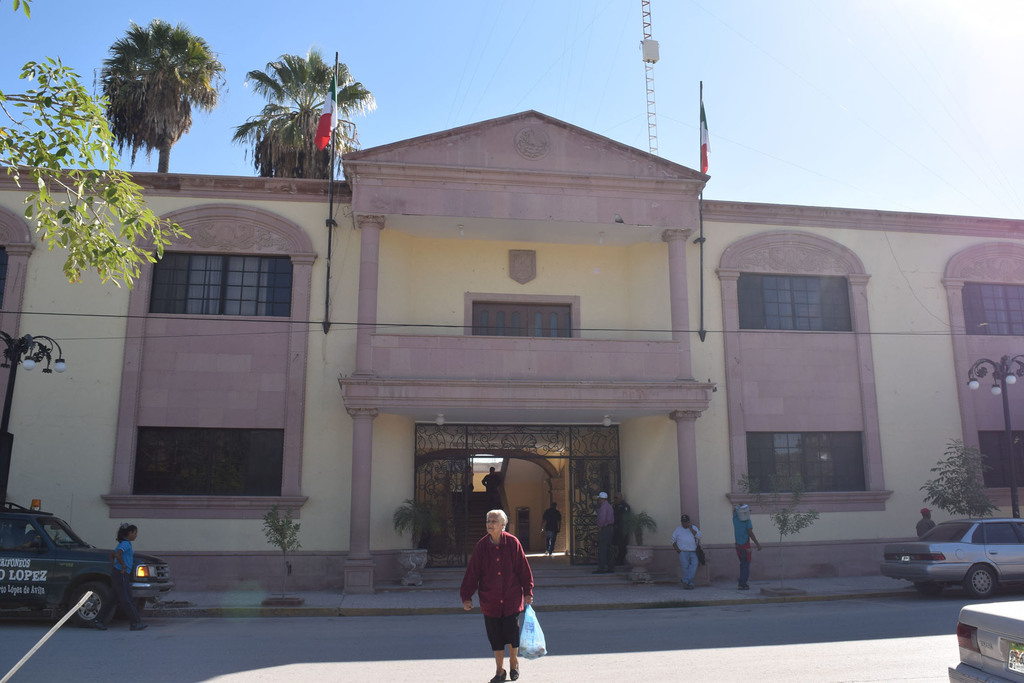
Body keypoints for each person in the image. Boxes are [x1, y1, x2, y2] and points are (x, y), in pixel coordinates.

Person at [461, 509, 535, 683]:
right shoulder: (481, 546)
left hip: (511, 597)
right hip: (490, 600)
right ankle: (499, 670)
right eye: (488, 520)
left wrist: (528, 591)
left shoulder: (513, 543)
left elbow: (524, 570)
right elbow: (472, 573)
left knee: (512, 634)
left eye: (494, 521)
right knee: (495, 637)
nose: (490, 523)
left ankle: (514, 662)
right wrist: (466, 596)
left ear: (503, 525)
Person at [92, 522, 147, 631]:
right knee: (127, 598)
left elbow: (112, 555)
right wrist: (123, 566)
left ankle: (98, 621)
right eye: (135, 533)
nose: (136, 535)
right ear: (129, 533)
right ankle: (135, 623)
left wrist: (115, 565)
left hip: (117, 573)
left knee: (112, 599)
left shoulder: (122, 543)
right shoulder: (126, 544)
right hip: (121, 574)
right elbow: (117, 554)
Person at [732, 504, 761, 590]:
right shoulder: (747, 521)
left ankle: (741, 581)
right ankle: (742, 583)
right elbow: (750, 533)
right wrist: (757, 544)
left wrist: (738, 508)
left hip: (738, 546)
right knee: (746, 565)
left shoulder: (735, 519)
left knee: (742, 564)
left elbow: (734, 511)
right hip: (745, 546)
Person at [671, 514, 702, 590]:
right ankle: (690, 584)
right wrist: (678, 550)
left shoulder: (694, 528)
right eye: (683, 522)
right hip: (683, 552)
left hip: (693, 551)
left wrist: (691, 529)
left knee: (694, 566)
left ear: (689, 522)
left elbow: (699, 536)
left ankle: (685, 580)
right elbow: (673, 540)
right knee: (686, 568)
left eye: (686, 522)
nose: (684, 523)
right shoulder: (678, 529)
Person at [593, 491, 615, 574]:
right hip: (610, 528)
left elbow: (602, 518)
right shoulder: (609, 506)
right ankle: (610, 567)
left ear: (601, 499)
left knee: (602, 548)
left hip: (604, 529)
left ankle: (602, 568)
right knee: (609, 548)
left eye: (599, 499)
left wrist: (599, 526)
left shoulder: (603, 507)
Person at [612, 492, 631, 565]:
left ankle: (620, 560)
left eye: (616, 498)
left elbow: (624, 518)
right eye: (614, 498)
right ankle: (616, 559)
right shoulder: (615, 506)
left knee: (622, 546)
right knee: (616, 545)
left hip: (622, 529)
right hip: (616, 529)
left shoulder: (625, 506)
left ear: (620, 498)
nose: (615, 499)